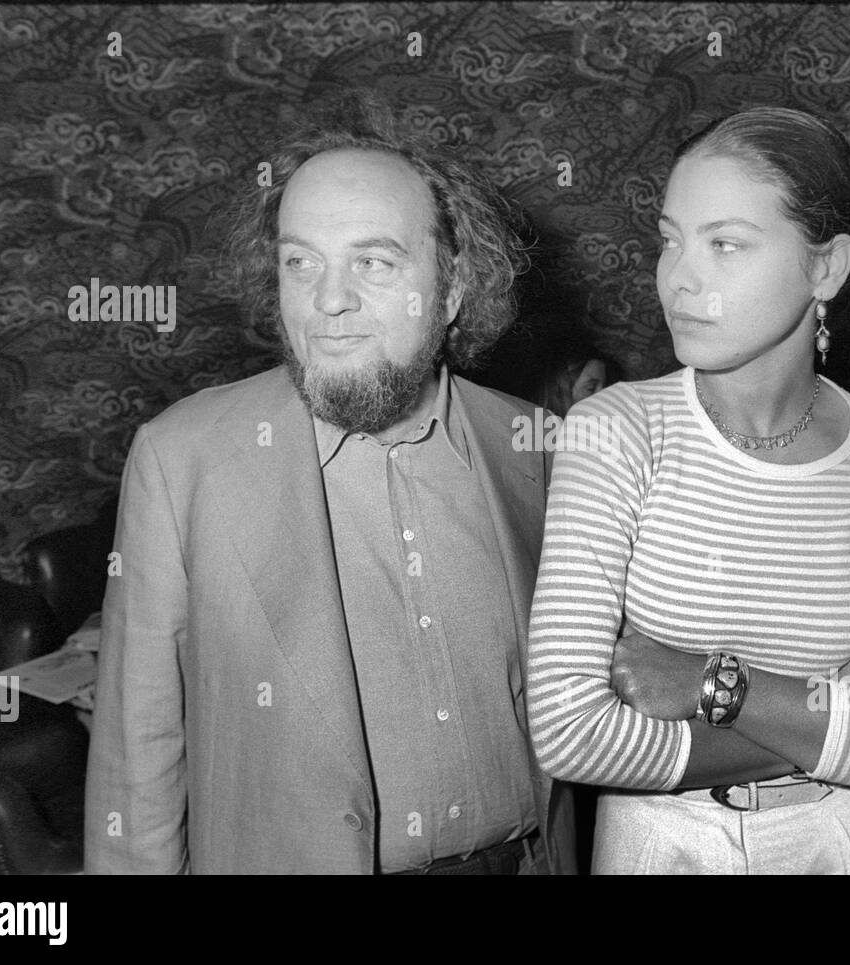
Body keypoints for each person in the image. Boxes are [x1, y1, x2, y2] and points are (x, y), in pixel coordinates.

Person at [84, 91, 575, 874]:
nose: (329, 299)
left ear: (451, 291)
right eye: (300, 261)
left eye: (374, 263)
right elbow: (136, 763)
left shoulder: (537, 447)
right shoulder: (182, 460)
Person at [527, 107, 850, 874]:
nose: (680, 275)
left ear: (827, 267)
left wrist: (712, 685)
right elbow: (570, 732)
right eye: (671, 239)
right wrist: (836, 701)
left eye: (726, 244)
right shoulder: (612, 429)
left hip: (846, 843)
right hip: (659, 845)